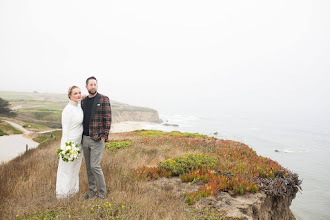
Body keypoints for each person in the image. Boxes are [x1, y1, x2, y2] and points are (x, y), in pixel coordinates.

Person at [81, 76, 111, 199]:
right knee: (88, 167)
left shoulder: (103, 99)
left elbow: (108, 119)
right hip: (85, 138)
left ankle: (102, 193)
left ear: (97, 86)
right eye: (91, 84)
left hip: (98, 139)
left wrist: (105, 136)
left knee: (95, 166)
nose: (93, 86)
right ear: (86, 87)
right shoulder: (83, 101)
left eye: (95, 84)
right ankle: (92, 191)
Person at [56, 86, 84, 199]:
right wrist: (65, 147)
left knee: (75, 167)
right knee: (66, 169)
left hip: (79, 143)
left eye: (79, 93)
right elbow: (65, 129)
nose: (78, 95)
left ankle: (72, 191)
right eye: (75, 93)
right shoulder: (67, 109)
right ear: (69, 96)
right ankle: (63, 193)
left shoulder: (79, 106)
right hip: (70, 144)